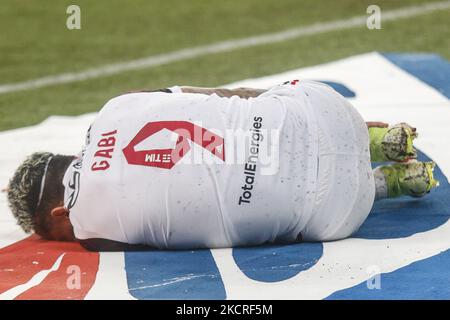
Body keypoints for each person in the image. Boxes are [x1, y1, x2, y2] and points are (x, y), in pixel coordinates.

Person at [6, 80, 439, 251]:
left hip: (342, 212)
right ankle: (378, 139)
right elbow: (222, 93)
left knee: (280, 207)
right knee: (256, 114)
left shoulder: (89, 231)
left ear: (60, 213)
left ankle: (389, 185)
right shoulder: (117, 105)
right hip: (329, 110)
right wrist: (343, 123)